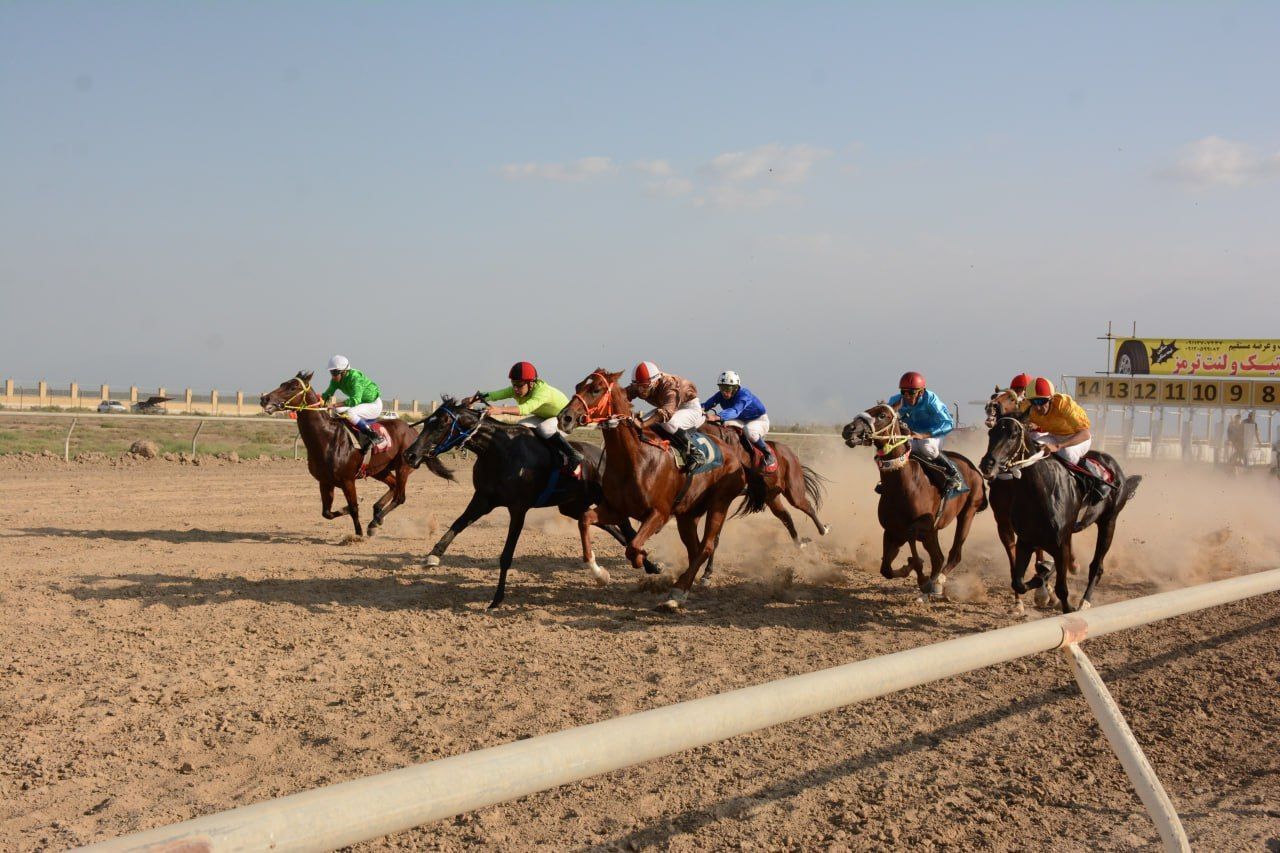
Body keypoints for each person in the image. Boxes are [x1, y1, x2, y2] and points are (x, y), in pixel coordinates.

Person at [462, 362, 583, 472]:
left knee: (544, 429)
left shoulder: (542, 391)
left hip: (565, 418)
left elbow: (525, 409)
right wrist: (474, 398)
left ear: (531, 383)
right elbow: (495, 395)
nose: (515, 389)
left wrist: (500, 410)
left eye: (519, 385)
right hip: (545, 416)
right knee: (520, 428)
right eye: (513, 384)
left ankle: (572, 454)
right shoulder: (518, 388)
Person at [1025, 377, 1105, 503]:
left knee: (1066, 454)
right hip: (1054, 436)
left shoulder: (1064, 405)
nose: (1038, 407)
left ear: (1051, 399)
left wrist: (1058, 446)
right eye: (1033, 402)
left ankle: (1097, 479)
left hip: (1077, 438)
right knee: (1034, 447)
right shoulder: (1028, 407)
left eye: (1042, 401)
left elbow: (1085, 434)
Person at [888, 371, 966, 498]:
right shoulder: (895, 401)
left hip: (933, 436)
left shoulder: (931, 400)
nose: (907, 396)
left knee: (926, 446)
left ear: (921, 391)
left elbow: (948, 423)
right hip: (911, 436)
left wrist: (924, 435)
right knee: (897, 449)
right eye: (903, 392)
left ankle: (953, 473)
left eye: (911, 392)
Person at [625, 361, 706, 472]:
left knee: (666, 422)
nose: (641, 391)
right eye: (638, 387)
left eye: (644, 387)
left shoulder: (670, 385)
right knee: (638, 422)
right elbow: (622, 396)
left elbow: (667, 413)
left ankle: (695, 453)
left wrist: (643, 424)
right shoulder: (643, 383)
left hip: (688, 408)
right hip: (666, 408)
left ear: (656, 382)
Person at [703, 370, 777, 473]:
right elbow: (706, 405)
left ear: (735, 387)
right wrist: (697, 410)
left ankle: (768, 454)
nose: (724, 391)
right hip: (741, 420)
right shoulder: (720, 395)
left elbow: (735, 411)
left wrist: (717, 416)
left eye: (727, 388)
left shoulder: (744, 395)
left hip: (758, 420)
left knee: (749, 431)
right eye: (721, 387)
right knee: (724, 425)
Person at [321, 355, 386, 452]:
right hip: (361, 404)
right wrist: (316, 401)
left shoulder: (355, 377)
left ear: (344, 372)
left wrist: (334, 405)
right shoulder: (335, 381)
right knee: (337, 411)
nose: (333, 376)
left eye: (335, 373)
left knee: (350, 413)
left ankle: (373, 435)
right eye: (331, 372)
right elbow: (327, 394)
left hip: (373, 405)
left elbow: (355, 400)